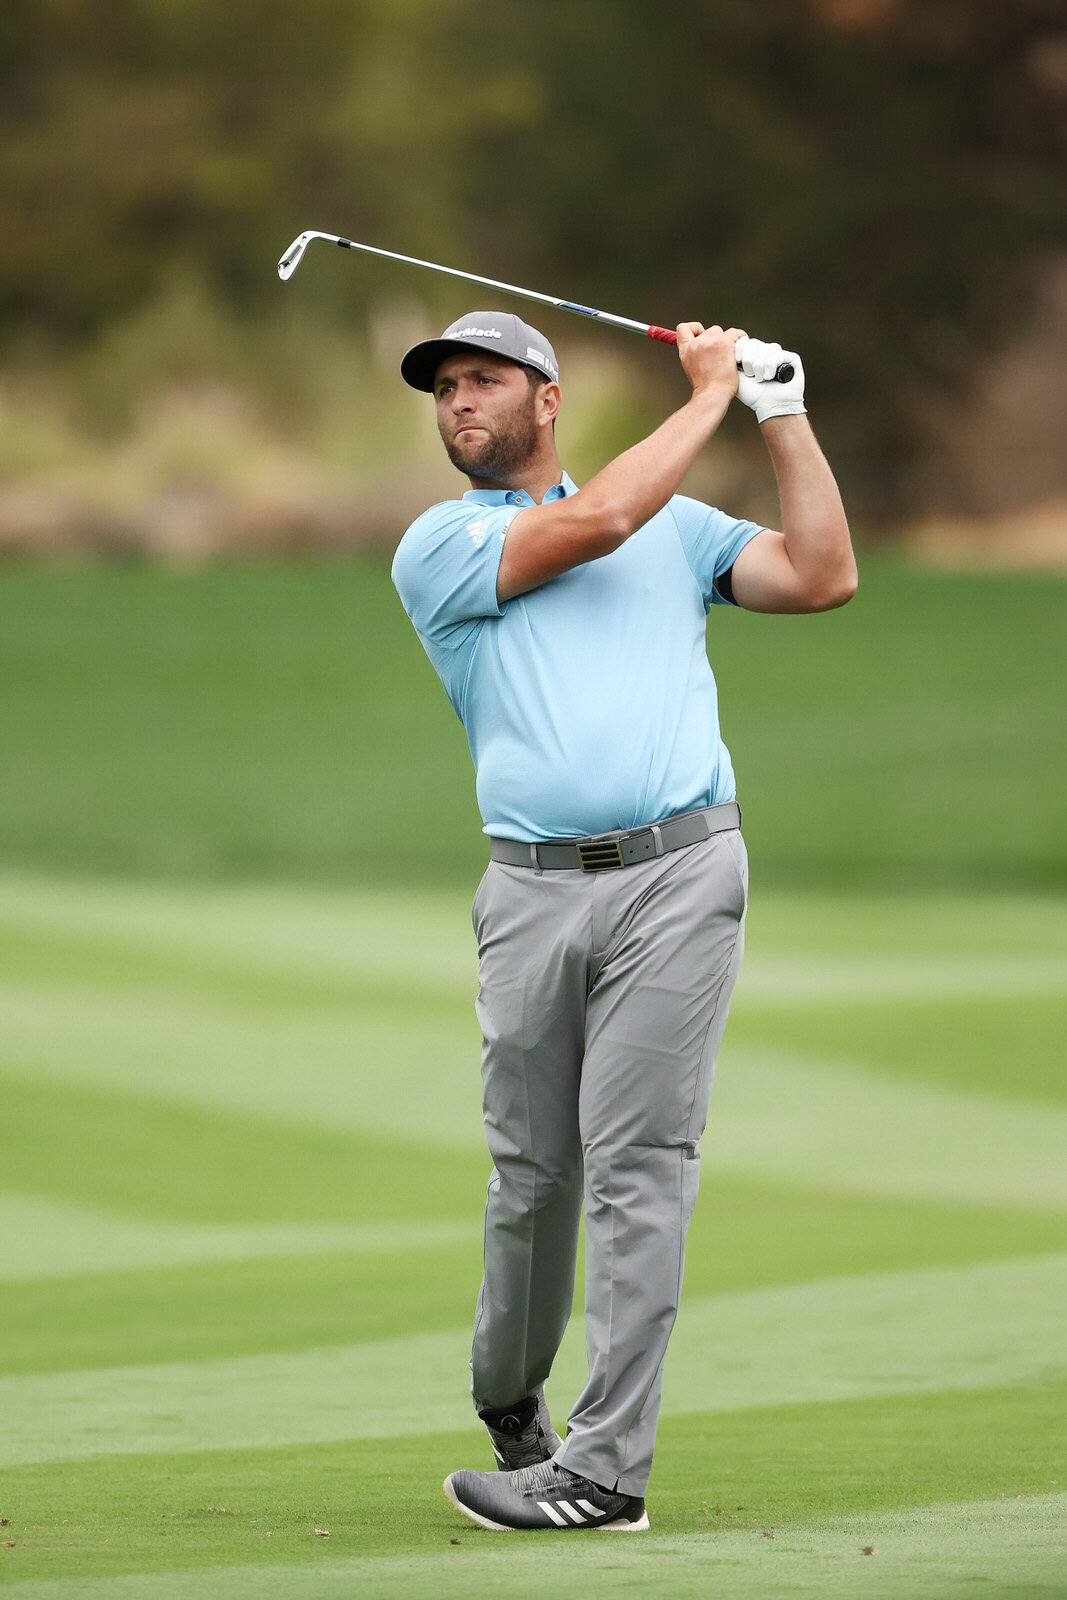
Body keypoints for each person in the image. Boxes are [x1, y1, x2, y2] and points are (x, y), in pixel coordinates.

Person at [391, 309, 856, 1533]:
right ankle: (509, 1398)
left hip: (680, 872)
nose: (455, 403)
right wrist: (705, 393)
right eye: (441, 388)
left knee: (639, 1169)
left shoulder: (680, 527)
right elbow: (594, 522)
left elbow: (820, 575)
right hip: (530, 886)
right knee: (531, 1175)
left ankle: (602, 1473)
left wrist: (779, 409)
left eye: (481, 380)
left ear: (548, 398)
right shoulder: (441, 542)